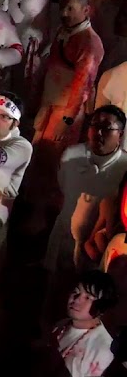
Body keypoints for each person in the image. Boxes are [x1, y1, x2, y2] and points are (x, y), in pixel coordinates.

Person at [46, 105, 127, 273]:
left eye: (106, 128)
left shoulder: (124, 167)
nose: (98, 132)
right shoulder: (72, 154)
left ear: (120, 134)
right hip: (62, 239)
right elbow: (62, 188)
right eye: (94, 125)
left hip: (94, 249)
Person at [34, 0, 103, 150]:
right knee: (37, 151)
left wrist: (67, 120)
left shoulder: (90, 43)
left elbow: (82, 86)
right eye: (62, 7)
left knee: (53, 155)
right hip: (49, 102)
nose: (64, 13)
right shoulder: (63, 30)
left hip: (65, 110)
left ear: (86, 10)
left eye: (70, 9)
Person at [52, 272, 118, 377]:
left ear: (102, 305)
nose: (77, 299)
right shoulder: (60, 325)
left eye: (88, 297)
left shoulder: (104, 348)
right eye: (75, 292)